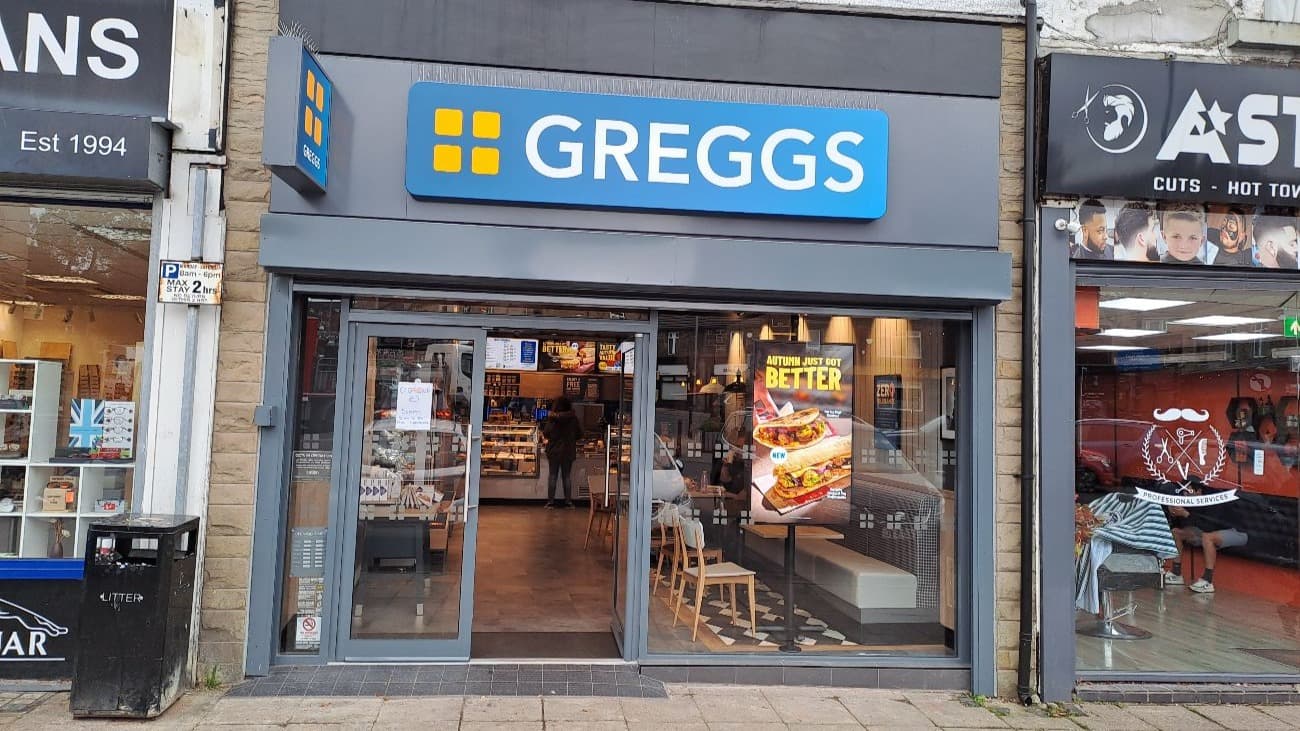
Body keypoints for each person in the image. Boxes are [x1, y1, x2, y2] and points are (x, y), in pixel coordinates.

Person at [1163, 485, 1248, 594]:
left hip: (1237, 531)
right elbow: (1188, 525)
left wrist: (1186, 514)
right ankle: (1176, 573)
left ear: (1199, 491)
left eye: (1189, 491)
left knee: (1208, 537)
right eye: (1184, 491)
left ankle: (1207, 581)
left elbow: (1209, 527)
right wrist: (1174, 513)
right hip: (1207, 531)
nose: (1185, 494)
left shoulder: (1213, 500)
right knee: (1176, 532)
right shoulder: (1189, 501)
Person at [541, 396, 583, 508]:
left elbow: (546, 433)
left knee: (553, 476)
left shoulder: (553, 419)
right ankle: (568, 502)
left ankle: (550, 502)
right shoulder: (573, 419)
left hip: (554, 451)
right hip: (568, 451)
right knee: (567, 476)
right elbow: (579, 434)